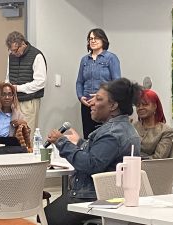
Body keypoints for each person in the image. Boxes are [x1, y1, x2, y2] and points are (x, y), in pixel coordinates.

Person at [45, 78, 141, 225]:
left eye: (98, 99)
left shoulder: (112, 134)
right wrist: (79, 143)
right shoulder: (123, 129)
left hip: (92, 198)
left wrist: (61, 142)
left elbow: (90, 164)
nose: (91, 102)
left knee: (40, 219)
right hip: (105, 196)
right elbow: (101, 155)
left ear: (113, 105)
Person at [76, 28, 121, 139]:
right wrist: (80, 97)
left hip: (103, 103)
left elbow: (117, 82)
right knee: (88, 135)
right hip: (86, 104)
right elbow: (79, 82)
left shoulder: (111, 58)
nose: (93, 41)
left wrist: (100, 96)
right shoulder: (84, 60)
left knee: (103, 135)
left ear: (103, 40)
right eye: (90, 39)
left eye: (96, 38)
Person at [5, 31, 47, 139]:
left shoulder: (36, 56)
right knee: (13, 135)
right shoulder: (11, 56)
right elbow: (8, 77)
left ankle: (27, 155)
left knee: (27, 135)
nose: (13, 53)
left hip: (30, 102)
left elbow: (40, 82)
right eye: (11, 50)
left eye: (15, 50)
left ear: (23, 44)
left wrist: (18, 88)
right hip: (14, 102)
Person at [134, 89, 173, 159]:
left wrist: (135, 161)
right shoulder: (133, 126)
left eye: (145, 104)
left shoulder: (166, 131)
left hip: (150, 168)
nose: (140, 108)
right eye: (138, 105)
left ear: (155, 106)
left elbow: (158, 158)